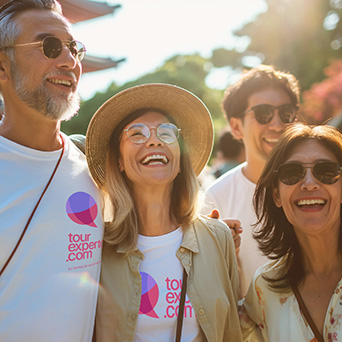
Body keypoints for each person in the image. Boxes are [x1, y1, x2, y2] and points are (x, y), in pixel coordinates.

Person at [86, 83, 243, 341]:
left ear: (180, 159)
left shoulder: (219, 237)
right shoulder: (98, 247)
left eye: (167, 133)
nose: (155, 140)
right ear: (118, 161)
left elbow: (231, 331)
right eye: (137, 133)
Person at [0, 1, 103, 341]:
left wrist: (213, 236)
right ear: (2, 65)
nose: (69, 62)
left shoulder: (97, 167)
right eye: (50, 46)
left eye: (75, 49)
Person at [204, 64, 300, 297]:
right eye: (263, 114)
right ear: (237, 127)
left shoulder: (320, 184)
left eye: (286, 112)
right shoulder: (217, 198)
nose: (277, 124)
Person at [241, 123, 342, 341]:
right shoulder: (264, 287)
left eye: (326, 171)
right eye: (291, 173)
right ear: (276, 195)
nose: (308, 183)